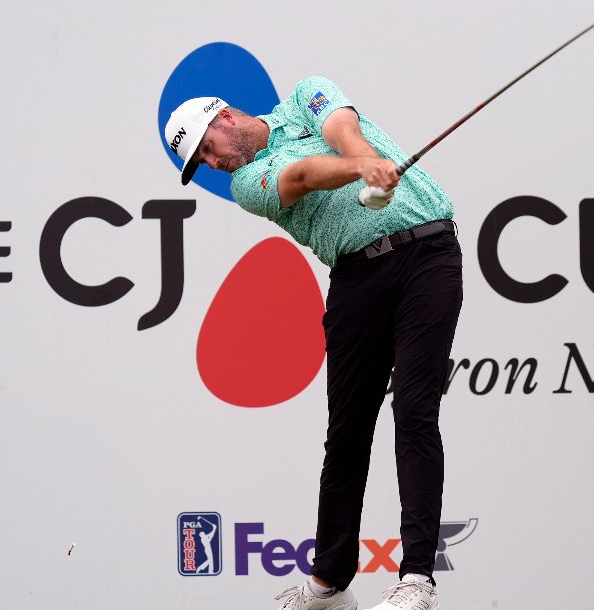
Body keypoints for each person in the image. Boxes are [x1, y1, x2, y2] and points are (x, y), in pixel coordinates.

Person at [165, 76, 462, 610]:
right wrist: (360, 170)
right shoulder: (246, 182)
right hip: (355, 278)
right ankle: (329, 581)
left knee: (415, 412)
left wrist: (365, 159)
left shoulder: (306, 95)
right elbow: (301, 176)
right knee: (347, 431)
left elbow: (340, 125)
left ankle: (417, 580)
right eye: (200, 161)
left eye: (207, 147)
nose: (212, 162)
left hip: (428, 255)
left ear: (226, 116)